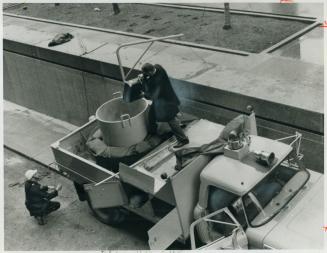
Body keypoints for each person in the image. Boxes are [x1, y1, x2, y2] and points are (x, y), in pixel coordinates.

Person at [127, 63, 189, 148]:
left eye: (147, 74)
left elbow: (152, 95)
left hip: (165, 103)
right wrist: (144, 76)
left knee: (171, 120)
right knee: (151, 116)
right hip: (167, 99)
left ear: (150, 72)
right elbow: (149, 78)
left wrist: (143, 93)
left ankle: (183, 139)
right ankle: (153, 132)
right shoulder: (158, 67)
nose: (146, 75)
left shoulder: (157, 81)